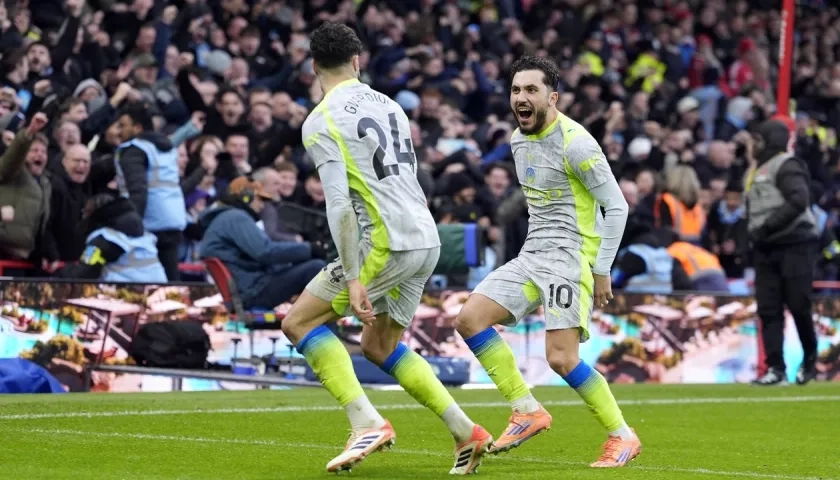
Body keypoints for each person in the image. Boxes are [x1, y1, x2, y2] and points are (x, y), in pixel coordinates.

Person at [280, 22, 491, 475]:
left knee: (299, 323)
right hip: (425, 238)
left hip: (384, 244)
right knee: (379, 344)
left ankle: (366, 422)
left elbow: (338, 204)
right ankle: (466, 431)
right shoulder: (390, 104)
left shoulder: (321, 119)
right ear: (358, 61)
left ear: (313, 65)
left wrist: (355, 277)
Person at [453, 56, 642, 468]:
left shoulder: (577, 143)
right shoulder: (519, 141)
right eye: (516, 90)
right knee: (469, 318)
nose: (521, 98)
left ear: (552, 97)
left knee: (561, 358)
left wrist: (602, 268)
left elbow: (617, 207)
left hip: (570, 258)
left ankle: (623, 436)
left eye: (531, 90)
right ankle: (526, 410)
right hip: (532, 253)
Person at [746, 119, 819, 386]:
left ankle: (810, 363)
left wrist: (765, 228)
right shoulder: (757, 170)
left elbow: (799, 200)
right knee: (768, 308)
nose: (753, 145)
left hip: (794, 243)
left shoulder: (786, 164)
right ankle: (775, 368)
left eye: (757, 140)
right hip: (767, 247)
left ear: (767, 141)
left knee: (798, 304)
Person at [199, 177, 327, 310]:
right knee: (316, 268)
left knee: (307, 267)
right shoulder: (236, 218)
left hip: (246, 288)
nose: (262, 206)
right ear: (246, 197)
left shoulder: (226, 218)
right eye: (260, 199)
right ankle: (325, 329)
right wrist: (309, 249)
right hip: (253, 291)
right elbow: (265, 252)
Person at [114, 104, 187, 281]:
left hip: (149, 224)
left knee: (143, 280)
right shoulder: (165, 148)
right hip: (172, 220)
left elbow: (138, 191)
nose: (119, 131)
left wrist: (132, 225)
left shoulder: (133, 150)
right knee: (171, 281)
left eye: (123, 126)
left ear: (137, 128)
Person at [56, 193, 167, 282]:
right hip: (159, 289)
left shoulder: (104, 239)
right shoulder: (141, 234)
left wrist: (62, 271)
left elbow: (84, 273)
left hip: (126, 294)